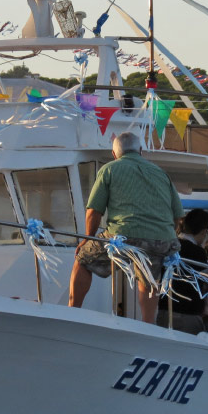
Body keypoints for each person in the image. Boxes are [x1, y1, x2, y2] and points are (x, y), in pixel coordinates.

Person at [69, 132, 183, 324]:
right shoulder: (160, 173)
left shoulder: (109, 169)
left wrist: (89, 238)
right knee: (149, 275)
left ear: (114, 154)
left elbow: (93, 212)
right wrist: (165, 235)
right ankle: (148, 324)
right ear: (141, 151)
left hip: (123, 235)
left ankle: (72, 312)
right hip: (162, 238)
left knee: (83, 259)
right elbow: (178, 216)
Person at [156, 208, 208, 334]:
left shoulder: (169, 245)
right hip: (187, 314)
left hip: (164, 310)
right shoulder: (197, 252)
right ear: (204, 231)